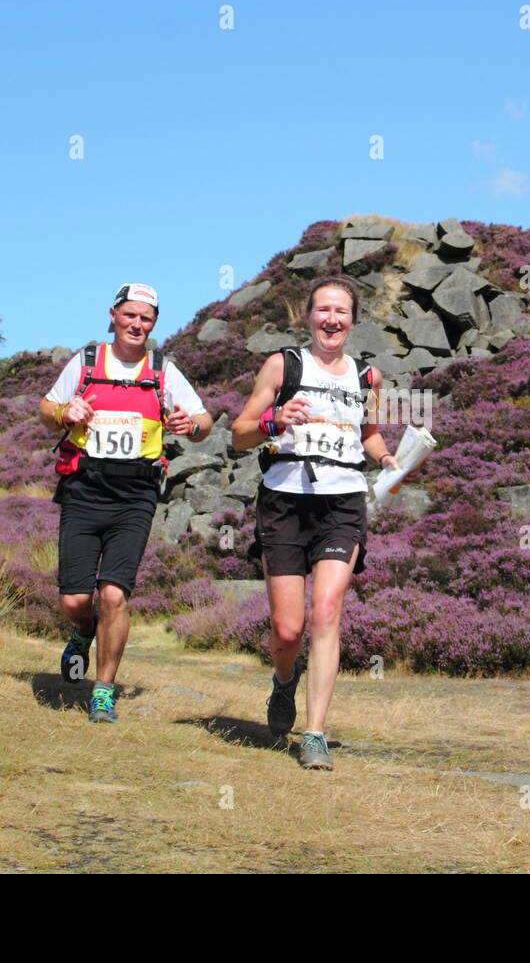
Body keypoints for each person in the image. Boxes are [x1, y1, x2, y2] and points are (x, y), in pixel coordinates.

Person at [231, 275, 399, 769]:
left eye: (341, 312)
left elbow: (368, 435)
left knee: (326, 612)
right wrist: (274, 422)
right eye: (323, 310)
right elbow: (239, 435)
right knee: (288, 629)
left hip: (342, 503)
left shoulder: (368, 377)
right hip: (284, 502)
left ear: (353, 320)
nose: (332, 320)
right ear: (308, 316)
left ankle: (315, 734)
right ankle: (285, 678)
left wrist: (388, 458)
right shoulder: (284, 365)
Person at [38, 283, 212, 723]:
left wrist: (188, 424)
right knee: (76, 601)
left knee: (114, 594)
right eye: (130, 315)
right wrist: (64, 414)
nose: (137, 325)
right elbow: (46, 408)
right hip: (84, 487)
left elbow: (205, 422)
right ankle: (82, 633)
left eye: (146, 319)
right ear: (112, 316)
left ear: (154, 324)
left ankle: (103, 691)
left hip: (136, 495)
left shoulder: (162, 370)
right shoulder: (86, 362)